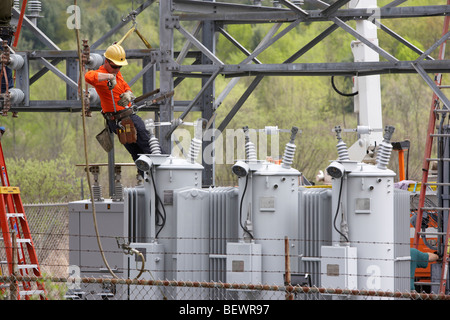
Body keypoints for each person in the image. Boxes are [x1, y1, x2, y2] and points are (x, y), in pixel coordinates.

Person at [85, 43, 151, 177]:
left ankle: (157, 178)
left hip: (127, 118)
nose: (116, 69)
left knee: (147, 150)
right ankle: (150, 180)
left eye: (119, 66)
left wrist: (128, 93)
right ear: (107, 62)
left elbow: (125, 85)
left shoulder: (117, 72)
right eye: (114, 66)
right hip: (119, 121)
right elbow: (88, 77)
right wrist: (110, 77)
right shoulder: (102, 75)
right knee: (140, 152)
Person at [0, 0, 14, 93]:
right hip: (5, 31)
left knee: (4, 61)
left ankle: (5, 91)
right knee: (5, 61)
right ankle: (7, 91)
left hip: (2, 30)